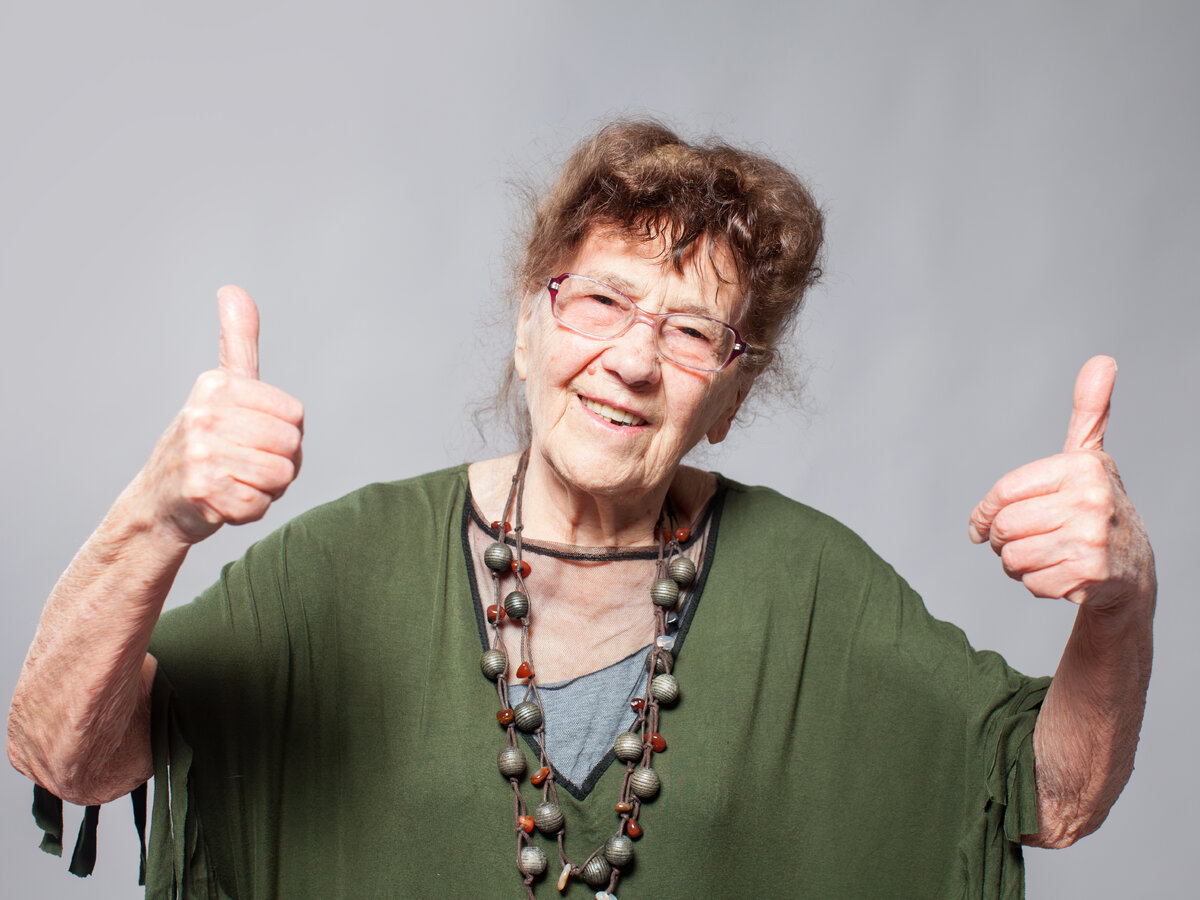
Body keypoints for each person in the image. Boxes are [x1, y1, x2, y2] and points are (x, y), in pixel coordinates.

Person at [8, 120, 1155, 899]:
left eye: (693, 332)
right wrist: (155, 516)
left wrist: (1121, 603)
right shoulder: (346, 566)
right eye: (601, 299)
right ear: (529, 325)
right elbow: (63, 754)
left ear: (730, 400)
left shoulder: (812, 588)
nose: (634, 360)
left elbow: (1050, 794)